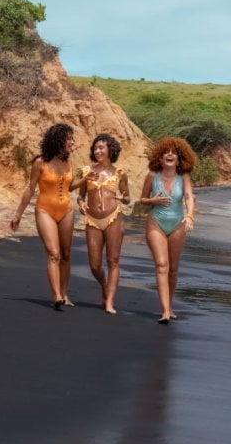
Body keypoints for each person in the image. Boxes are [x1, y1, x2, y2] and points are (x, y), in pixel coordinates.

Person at [9, 122, 85, 310]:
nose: (72, 142)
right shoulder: (39, 162)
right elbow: (30, 189)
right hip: (45, 210)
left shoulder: (69, 161)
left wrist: (86, 180)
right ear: (58, 140)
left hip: (66, 210)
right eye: (69, 138)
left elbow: (69, 187)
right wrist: (18, 214)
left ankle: (65, 294)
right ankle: (57, 296)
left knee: (66, 255)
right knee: (54, 253)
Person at [139, 136, 197, 323]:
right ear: (160, 157)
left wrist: (189, 216)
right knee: (162, 265)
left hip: (178, 223)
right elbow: (142, 199)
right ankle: (165, 311)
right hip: (156, 222)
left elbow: (189, 197)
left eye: (174, 152)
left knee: (173, 268)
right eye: (166, 151)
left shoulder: (184, 177)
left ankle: (170, 306)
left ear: (180, 158)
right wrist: (153, 201)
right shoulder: (151, 176)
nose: (170, 154)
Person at [77, 132, 130, 315]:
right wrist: (81, 204)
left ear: (110, 149)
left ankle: (109, 301)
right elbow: (80, 195)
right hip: (92, 219)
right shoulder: (86, 171)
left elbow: (127, 197)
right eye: (95, 148)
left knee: (113, 261)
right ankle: (105, 285)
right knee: (94, 265)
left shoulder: (120, 173)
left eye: (101, 147)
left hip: (114, 217)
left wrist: (124, 198)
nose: (97, 151)